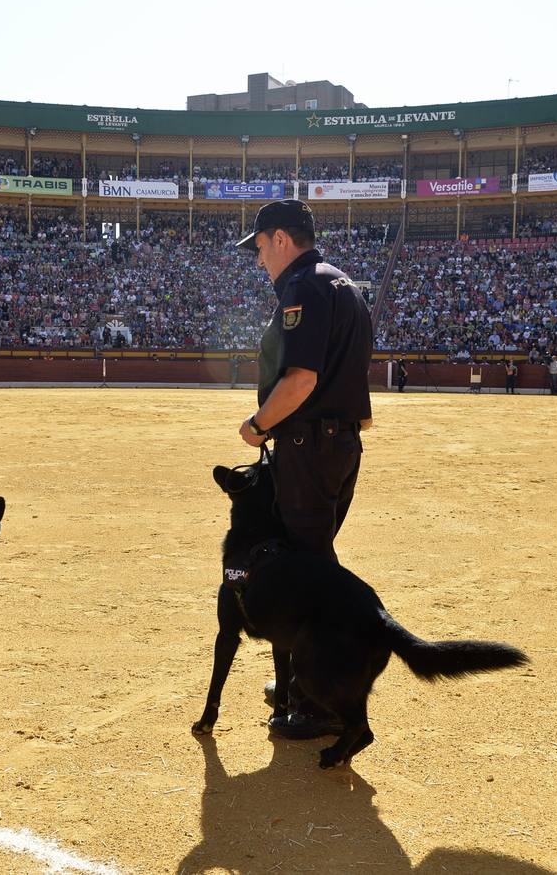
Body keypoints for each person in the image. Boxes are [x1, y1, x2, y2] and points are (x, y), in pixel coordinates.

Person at [235, 198, 374, 740]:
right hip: (337, 447)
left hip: (308, 445)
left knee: (309, 576)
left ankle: (322, 701)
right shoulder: (345, 285)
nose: (258, 260)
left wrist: (258, 424)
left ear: (280, 239)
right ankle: (303, 682)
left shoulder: (303, 287)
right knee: (312, 564)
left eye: (260, 248)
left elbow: (302, 380)